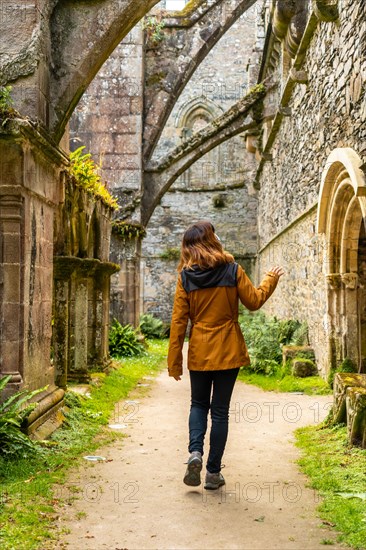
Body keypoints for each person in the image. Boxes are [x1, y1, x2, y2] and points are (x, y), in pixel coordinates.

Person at [167, 220, 284, 490]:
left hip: (199, 349)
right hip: (228, 349)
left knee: (198, 404)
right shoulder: (233, 270)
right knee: (219, 412)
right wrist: (270, 279)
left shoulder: (185, 277)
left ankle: (194, 452)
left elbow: (178, 323)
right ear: (212, 239)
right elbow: (254, 301)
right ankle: (212, 473)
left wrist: (175, 362)